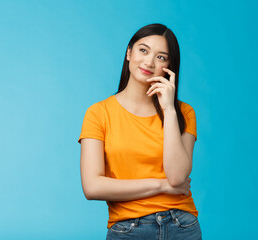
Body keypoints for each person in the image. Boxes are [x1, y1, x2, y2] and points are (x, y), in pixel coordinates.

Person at [78, 23, 202, 239]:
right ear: (129, 53)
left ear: (169, 66)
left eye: (161, 57)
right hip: (128, 228)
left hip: (181, 225)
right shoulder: (98, 113)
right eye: (143, 50)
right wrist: (161, 186)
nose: (149, 62)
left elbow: (177, 176)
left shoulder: (183, 112)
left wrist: (169, 110)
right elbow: (92, 187)